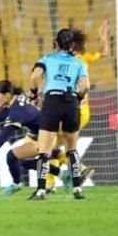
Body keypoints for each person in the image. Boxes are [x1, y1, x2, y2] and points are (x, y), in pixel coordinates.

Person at [45, 19, 108, 191]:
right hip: (83, 110)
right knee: (55, 144)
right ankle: (53, 182)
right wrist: (103, 37)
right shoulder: (82, 60)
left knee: (51, 144)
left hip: (70, 109)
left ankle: (77, 170)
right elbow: (104, 53)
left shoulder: (62, 62)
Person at [28, 28, 90, 201]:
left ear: (56, 43)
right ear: (72, 45)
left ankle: (41, 190)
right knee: (72, 150)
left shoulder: (47, 59)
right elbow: (86, 86)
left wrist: (33, 95)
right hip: (71, 103)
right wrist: (78, 98)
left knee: (44, 151)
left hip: (52, 102)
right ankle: (77, 188)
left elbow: (34, 77)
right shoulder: (79, 63)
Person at [0, 80, 61, 196]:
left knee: (12, 156)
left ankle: (25, 185)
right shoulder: (17, 99)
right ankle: (63, 173)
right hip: (42, 134)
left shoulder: (16, 113)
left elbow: (1, 139)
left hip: (47, 136)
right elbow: (2, 114)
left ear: (7, 95)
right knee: (22, 162)